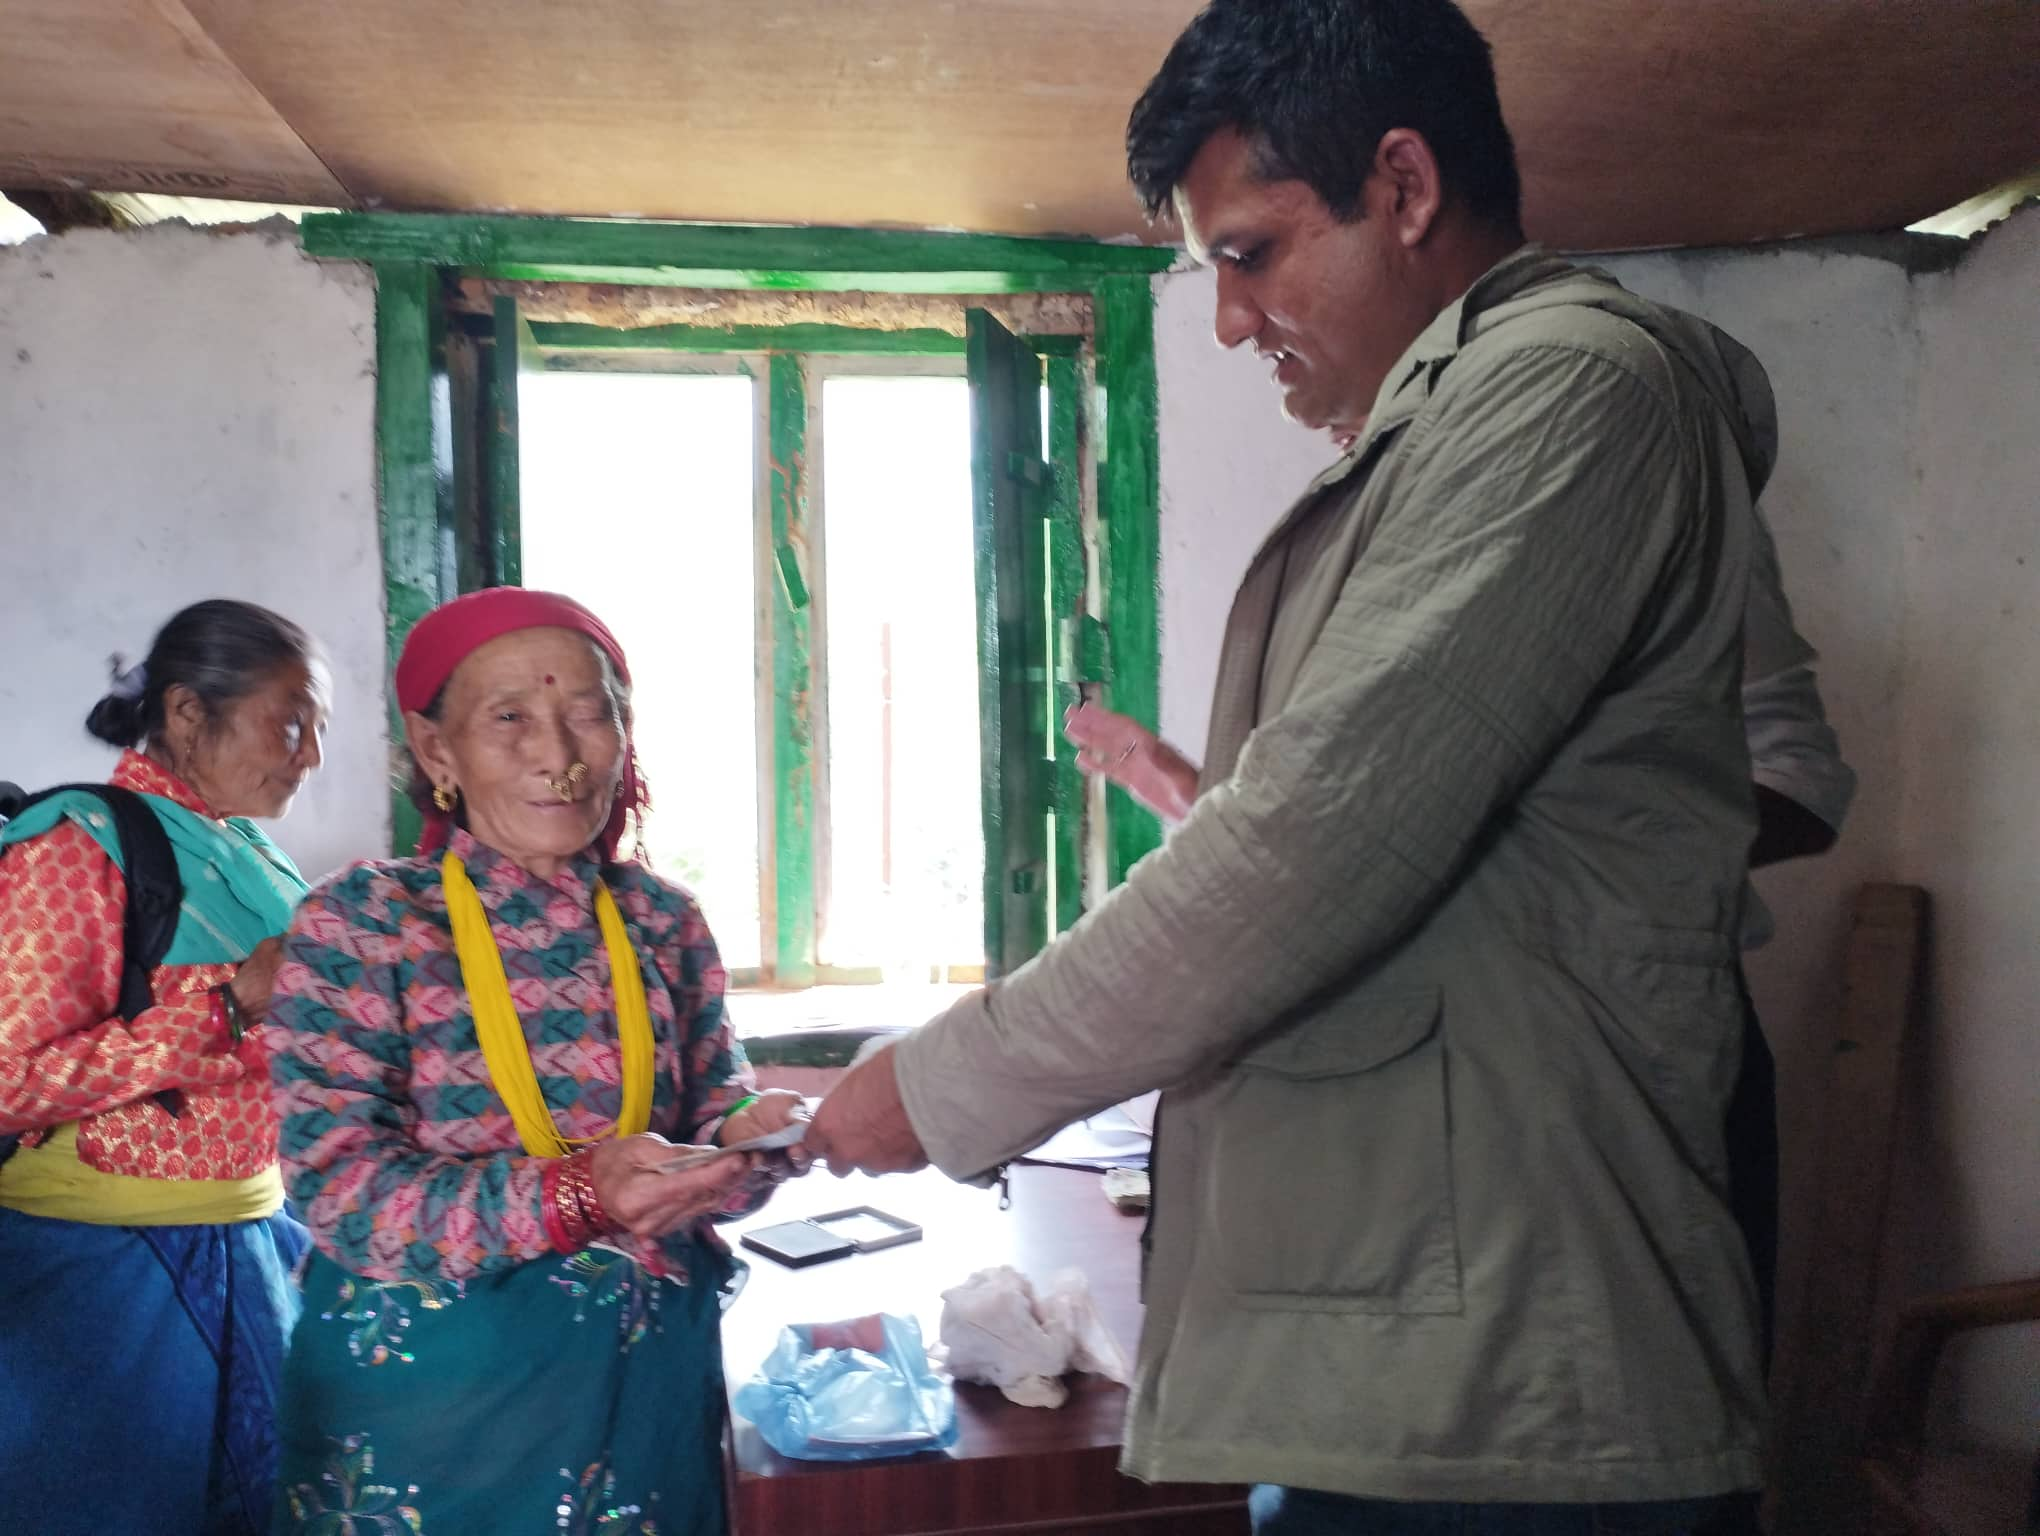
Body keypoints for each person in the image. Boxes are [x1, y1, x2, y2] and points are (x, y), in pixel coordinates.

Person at [811, 1, 1793, 1529]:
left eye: (1250, 254)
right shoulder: (1439, 428)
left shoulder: (1570, 393)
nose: (1228, 321)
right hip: (1416, 1337)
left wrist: (939, 1087)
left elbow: (1313, 855)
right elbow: (1384, 838)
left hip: (1513, 1372)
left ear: (1402, 186)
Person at [1065, 455, 1859, 1375]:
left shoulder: (1650, 489)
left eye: (1264, 294)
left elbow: (1799, 786)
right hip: (1416, 1084)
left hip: (1623, 1070)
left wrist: (1512, 854)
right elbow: (1362, 848)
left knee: (1623, 1440)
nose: (1234, 324)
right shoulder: (1357, 523)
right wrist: (1189, 794)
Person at [266, 587, 805, 1536]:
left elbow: (714, 1106)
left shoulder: (663, 919)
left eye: (589, 715)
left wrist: (747, 1143)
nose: (558, 756)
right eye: (510, 719)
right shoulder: (364, 920)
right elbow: (339, 1187)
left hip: (646, 1396)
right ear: (438, 751)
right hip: (441, 1419)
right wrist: (578, 1196)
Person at [0, 598, 330, 1536]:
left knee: (261, 1505)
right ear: (187, 714)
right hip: (107, 1268)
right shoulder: (76, 843)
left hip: (251, 1241)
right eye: (291, 723)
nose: (307, 756)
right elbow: (10, 1079)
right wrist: (228, 1003)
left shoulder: (253, 850)